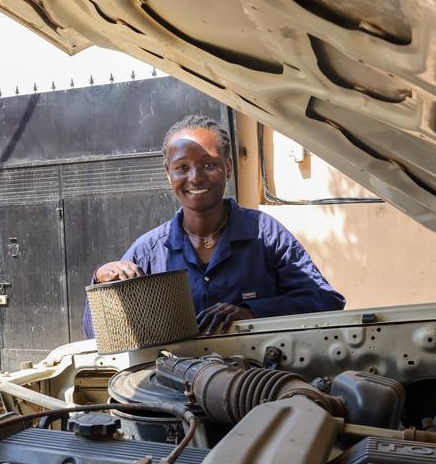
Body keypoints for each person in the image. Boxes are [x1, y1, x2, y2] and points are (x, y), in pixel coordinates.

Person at [84, 114, 344, 337]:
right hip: (174, 388)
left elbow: (325, 301)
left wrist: (253, 313)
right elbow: (96, 332)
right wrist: (101, 278)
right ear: (168, 173)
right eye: (182, 167)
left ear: (228, 168)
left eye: (209, 165)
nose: (195, 177)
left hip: (262, 384)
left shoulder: (266, 235)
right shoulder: (148, 252)